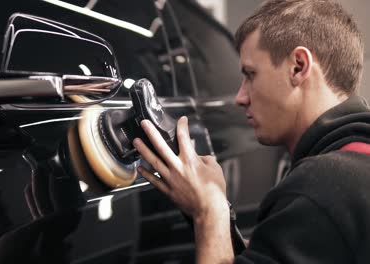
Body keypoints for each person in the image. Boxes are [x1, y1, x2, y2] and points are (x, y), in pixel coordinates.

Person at [133, 0, 370, 263]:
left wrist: (208, 212)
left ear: (298, 66)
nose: (240, 97)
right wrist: (219, 212)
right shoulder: (354, 171)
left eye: (251, 74)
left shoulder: (322, 189)